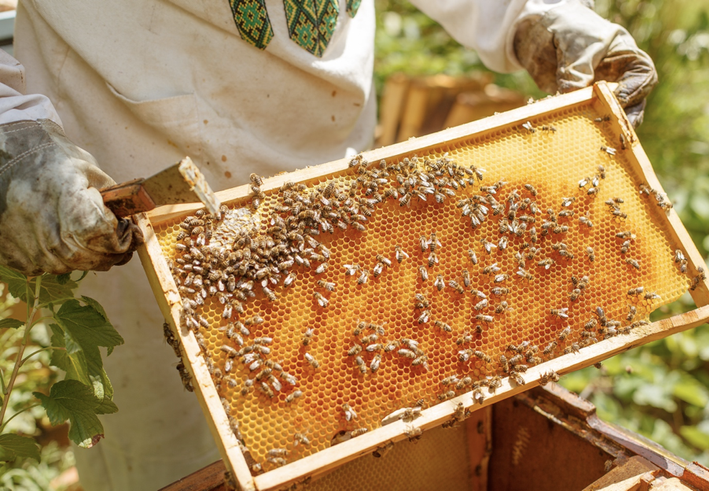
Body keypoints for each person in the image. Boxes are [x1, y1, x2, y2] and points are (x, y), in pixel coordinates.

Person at [0, 0, 656, 488]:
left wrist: (532, 13)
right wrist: (10, 131)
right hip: (132, 197)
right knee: (176, 464)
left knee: (353, 436)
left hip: (338, 192)